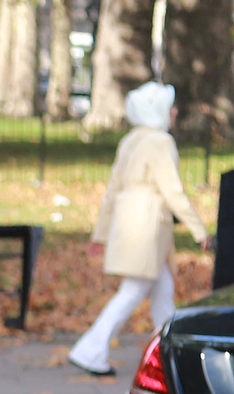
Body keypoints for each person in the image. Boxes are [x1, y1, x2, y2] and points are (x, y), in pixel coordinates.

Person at [72, 81, 207, 376]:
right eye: (169, 106)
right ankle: (91, 350)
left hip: (130, 221)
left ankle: (172, 357)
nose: (174, 112)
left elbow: (112, 189)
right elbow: (173, 191)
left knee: (162, 294)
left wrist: (101, 233)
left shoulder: (131, 140)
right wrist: (199, 230)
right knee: (133, 291)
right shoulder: (160, 142)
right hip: (148, 225)